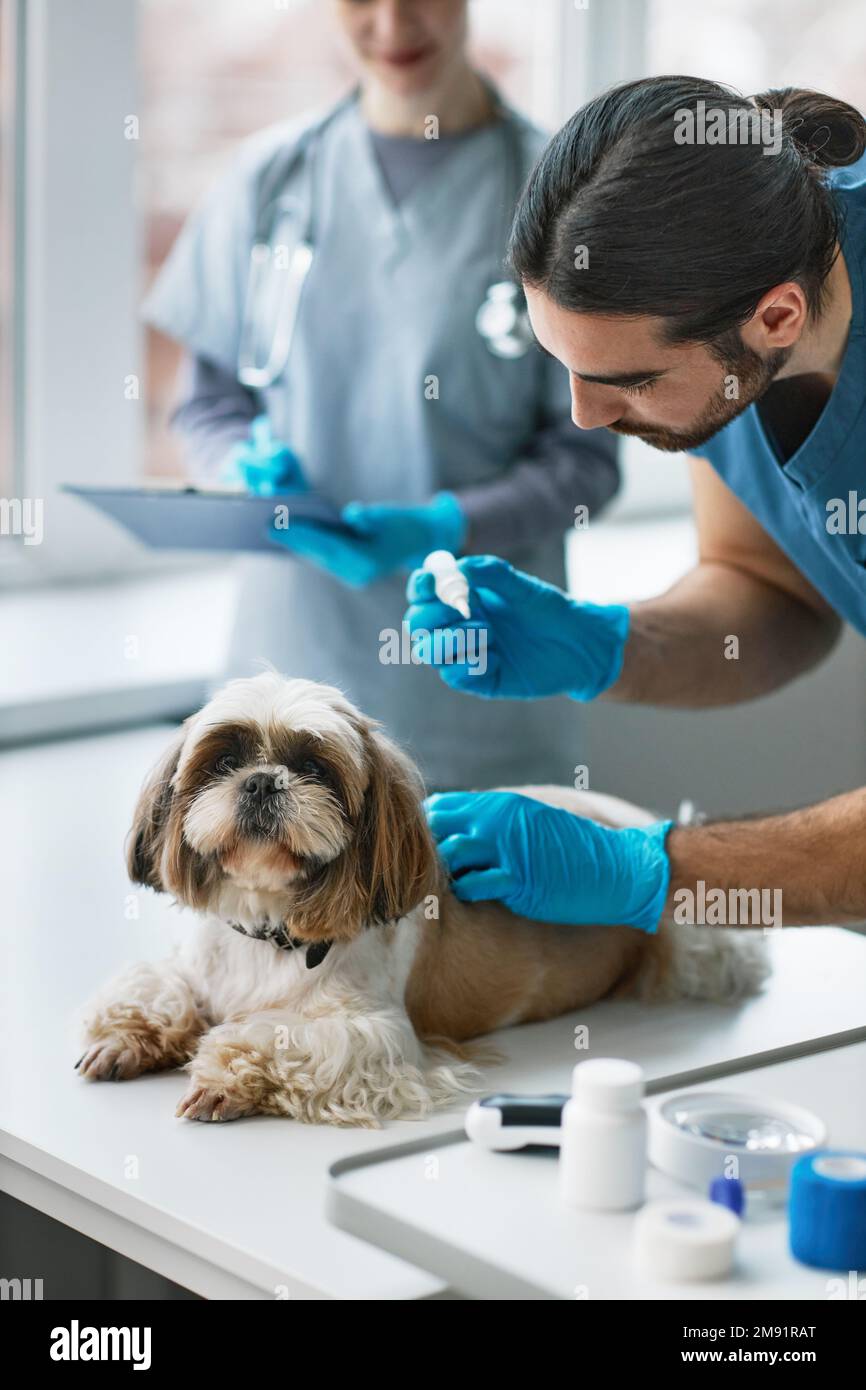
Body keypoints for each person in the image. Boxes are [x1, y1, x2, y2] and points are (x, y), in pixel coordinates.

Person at [406, 76, 866, 930]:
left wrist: (652, 869)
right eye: (566, 367)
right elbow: (769, 590)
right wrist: (605, 646)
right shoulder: (731, 295)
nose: (588, 416)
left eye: (632, 381)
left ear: (777, 318)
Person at [142, 0, 618, 790]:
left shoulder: (559, 196)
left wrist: (445, 524)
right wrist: (244, 468)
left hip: (472, 690)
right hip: (283, 688)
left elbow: (587, 462)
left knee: (478, 900)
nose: (394, 25)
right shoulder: (269, 182)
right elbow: (207, 403)